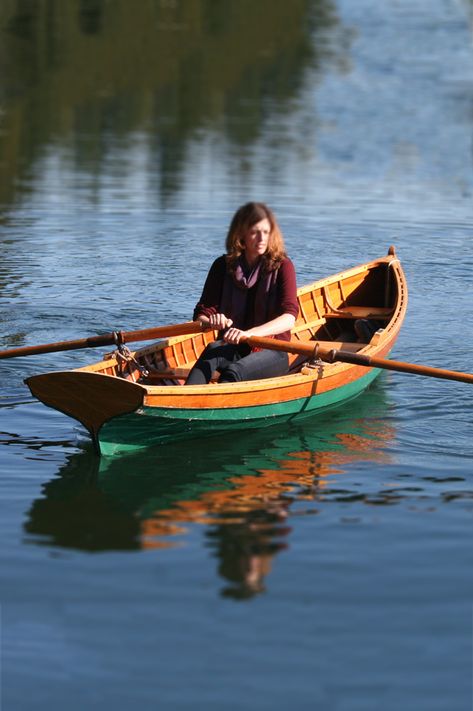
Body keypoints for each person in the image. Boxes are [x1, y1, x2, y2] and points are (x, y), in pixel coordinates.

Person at [186, 202, 299, 385]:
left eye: (266, 231)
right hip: (234, 345)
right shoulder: (222, 266)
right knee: (212, 350)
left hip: (273, 351)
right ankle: (186, 399)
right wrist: (212, 321)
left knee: (233, 372)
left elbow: (289, 318)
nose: (262, 238)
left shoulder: (283, 266)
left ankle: (211, 408)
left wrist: (249, 334)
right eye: (255, 232)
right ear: (241, 235)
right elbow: (200, 315)